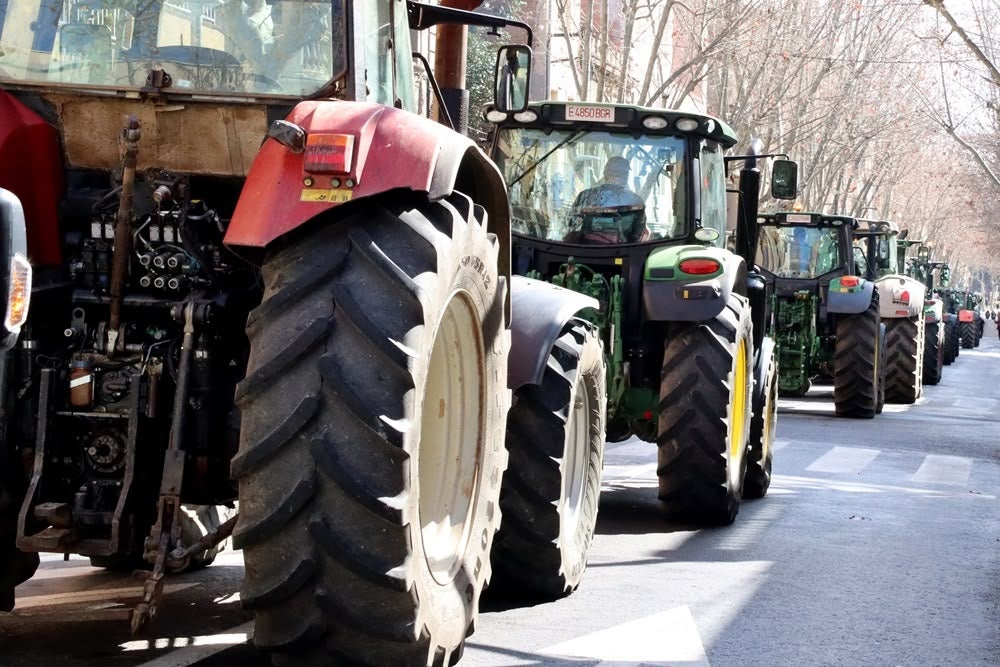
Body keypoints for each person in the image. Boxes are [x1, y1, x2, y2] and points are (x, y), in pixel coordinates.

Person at [564, 156, 647, 243]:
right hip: (622, 252)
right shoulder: (636, 201)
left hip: (585, 251)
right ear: (626, 175)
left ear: (605, 174)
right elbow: (638, 235)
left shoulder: (584, 196)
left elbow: (572, 227)